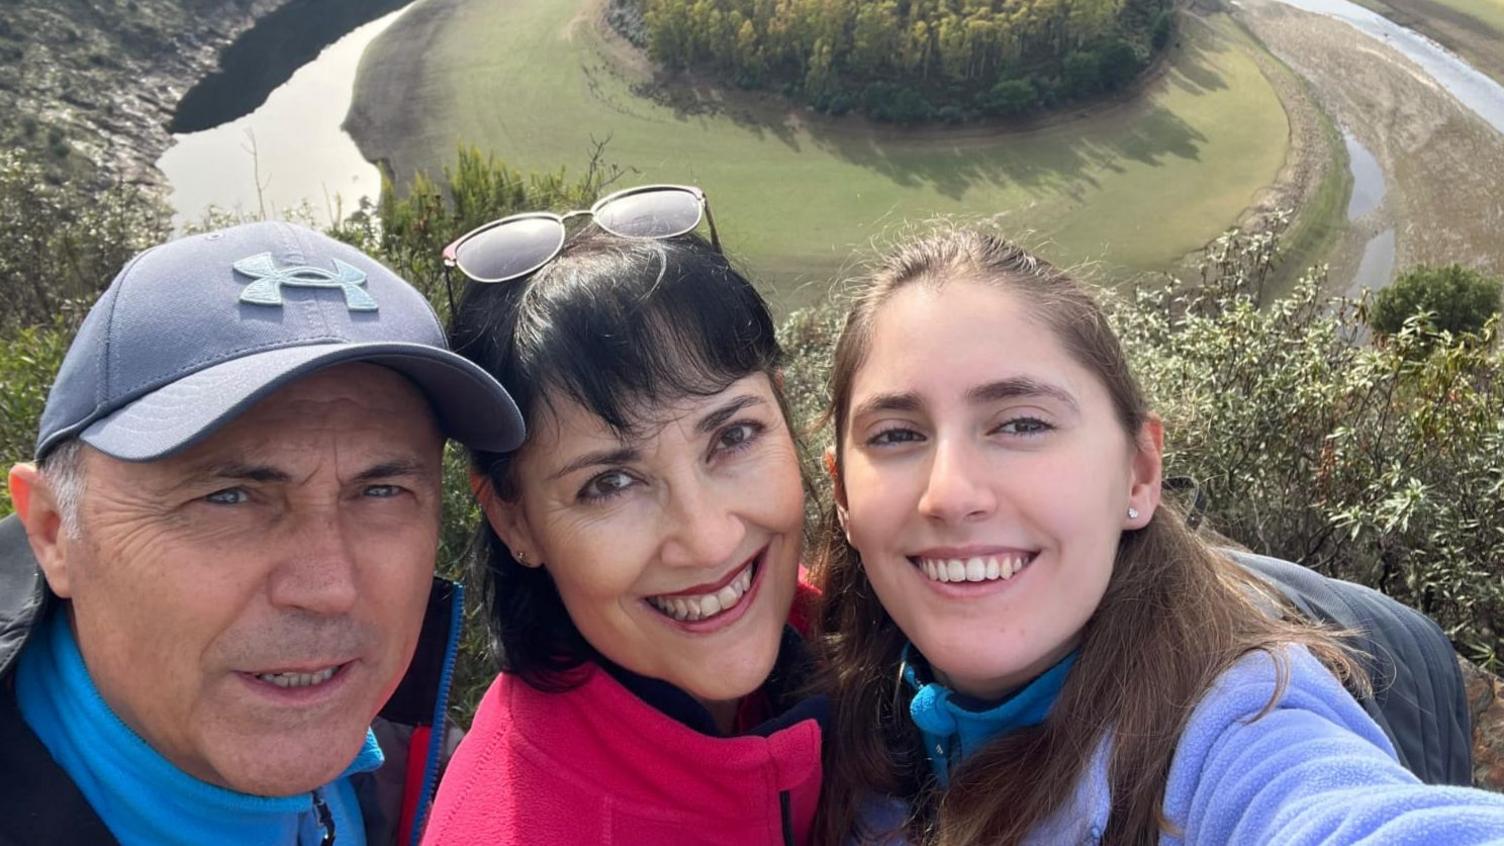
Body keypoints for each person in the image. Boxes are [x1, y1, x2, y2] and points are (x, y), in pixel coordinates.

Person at [812, 227, 1504, 844]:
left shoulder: (1233, 730)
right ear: (842, 491)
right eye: (897, 435)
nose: (951, 494)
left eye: (1021, 423)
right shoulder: (821, 704)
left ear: (1140, 474)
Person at [0, 221, 524, 846]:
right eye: (229, 498)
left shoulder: (435, 776)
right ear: (55, 532)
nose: (327, 588)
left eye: (380, 491)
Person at [420, 185, 825, 845]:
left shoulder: (866, 640)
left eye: (733, 437)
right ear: (513, 520)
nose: (707, 539)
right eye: (609, 483)